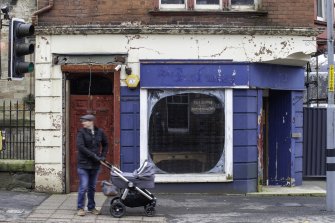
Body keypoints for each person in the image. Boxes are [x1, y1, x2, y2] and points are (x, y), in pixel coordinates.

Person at [76, 114, 108, 216]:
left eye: (85, 121)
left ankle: (91, 207)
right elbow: (81, 147)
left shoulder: (100, 132)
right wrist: (94, 156)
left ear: (91, 122)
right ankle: (80, 208)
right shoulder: (81, 132)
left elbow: (106, 144)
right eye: (83, 121)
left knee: (92, 187)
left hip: (95, 165)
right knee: (83, 186)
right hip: (83, 165)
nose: (83, 123)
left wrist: (102, 156)